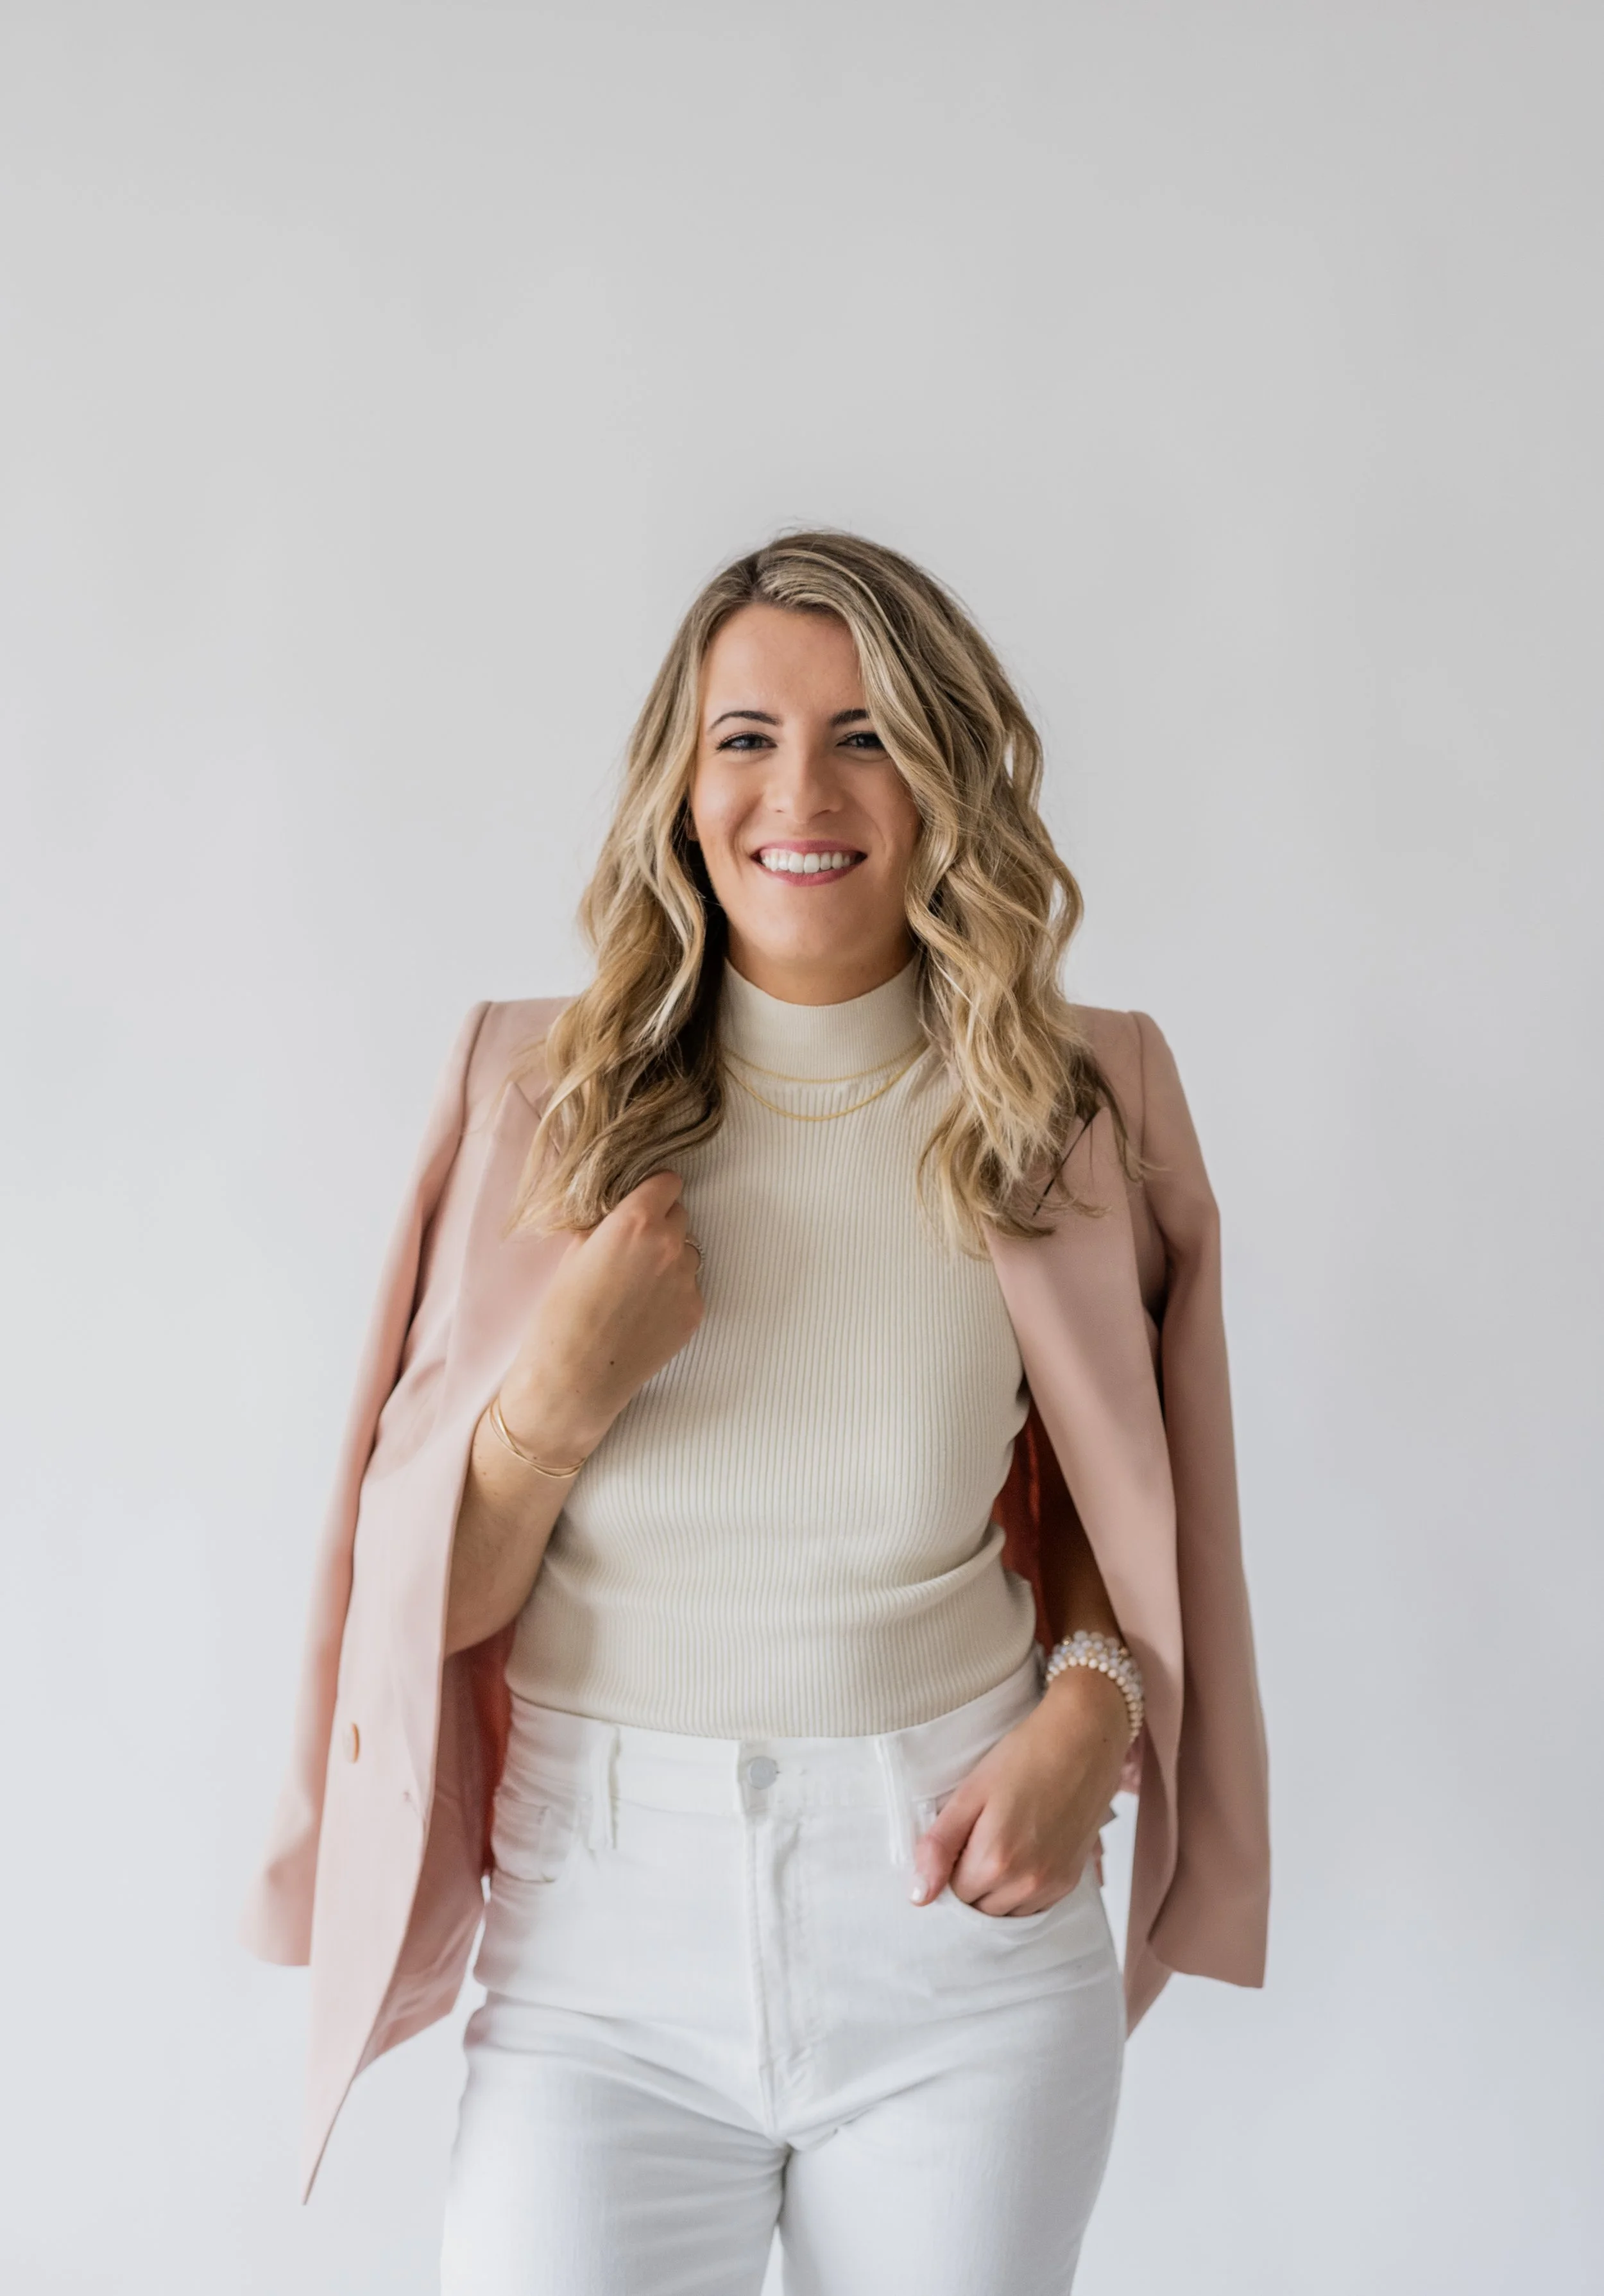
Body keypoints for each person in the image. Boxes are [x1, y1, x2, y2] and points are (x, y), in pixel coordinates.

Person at [241, 531, 1270, 2293]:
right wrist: (562, 1391)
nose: (800, 790)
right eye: (745, 737)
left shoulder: (1073, 1101)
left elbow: (1122, 1503)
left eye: (866, 734)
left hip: (956, 1924)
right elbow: (439, 1603)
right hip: (595, 1952)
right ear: (678, 778)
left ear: (945, 774)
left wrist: (1092, 1713)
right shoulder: (530, 1095)